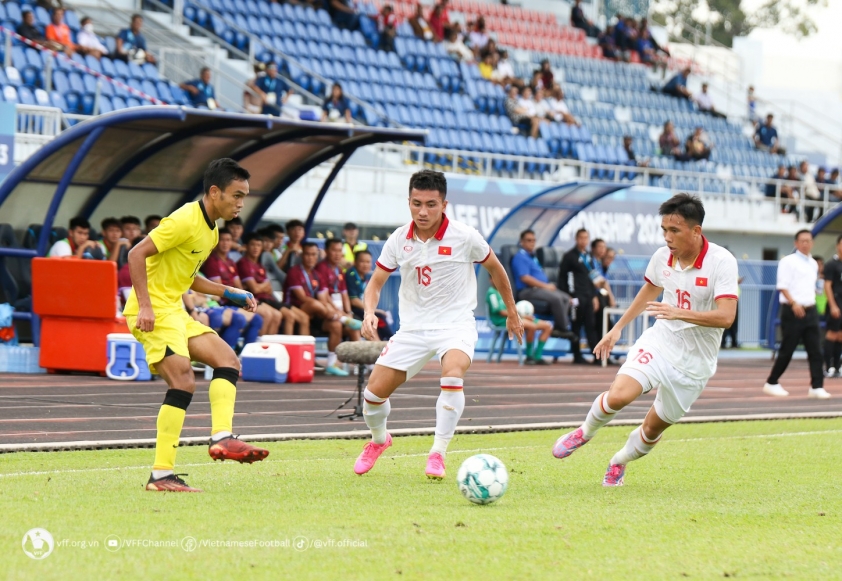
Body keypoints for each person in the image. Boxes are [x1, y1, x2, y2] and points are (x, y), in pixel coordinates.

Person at [552, 193, 740, 486]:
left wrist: (678, 312)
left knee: (652, 430)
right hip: (661, 342)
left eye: (674, 230)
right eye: (664, 230)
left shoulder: (722, 262)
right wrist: (617, 329)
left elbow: (726, 316)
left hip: (695, 364)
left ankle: (618, 461)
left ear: (696, 231)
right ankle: (584, 432)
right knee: (619, 395)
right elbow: (649, 292)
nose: (667, 237)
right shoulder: (662, 257)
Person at [351, 169, 524, 479]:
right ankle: (379, 441)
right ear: (408, 202)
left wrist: (512, 311)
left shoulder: (465, 236)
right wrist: (368, 312)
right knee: (373, 396)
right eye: (416, 203)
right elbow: (376, 282)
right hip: (413, 330)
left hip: (455, 325)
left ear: (445, 204)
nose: (423, 211)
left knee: (453, 373)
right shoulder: (398, 239)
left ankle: (438, 453)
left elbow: (497, 270)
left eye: (431, 204)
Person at [124, 158, 269, 493]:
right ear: (214, 192)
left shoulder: (212, 230)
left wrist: (229, 292)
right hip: (154, 313)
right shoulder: (183, 220)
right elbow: (135, 254)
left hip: (174, 311)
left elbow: (190, 278)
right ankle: (161, 475)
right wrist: (145, 306)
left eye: (244, 196)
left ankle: (222, 438)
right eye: (236, 195)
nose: (240, 203)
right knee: (184, 382)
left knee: (228, 360)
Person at [762, 230, 831, 399]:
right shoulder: (788, 261)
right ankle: (772, 382)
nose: (806, 244)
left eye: (808, 241)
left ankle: (817, 386)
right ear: (796, 243)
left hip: (810, 309)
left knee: (815, 350)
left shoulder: (813, 263)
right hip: (793, 310)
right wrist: (793, 303)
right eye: (802, 241)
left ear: (812, 243)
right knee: (787, 349)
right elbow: (782, 286)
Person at [283, 242, 360, 376]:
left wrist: (338, 311)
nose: (310, 258)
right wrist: (335, 312)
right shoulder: (294, 272)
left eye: (313, 255)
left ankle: (333, 364)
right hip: (296, 309)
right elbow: (302, 298)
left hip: (318, 314)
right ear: (302, 255)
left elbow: (324, 297)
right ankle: (341, 318)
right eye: (307, 254)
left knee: (335, 325)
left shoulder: (316, 274)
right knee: (313, 303)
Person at [202, 228, 278, 337]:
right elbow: (219, 289)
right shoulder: (212, 262)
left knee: (275, 314)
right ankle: (257, 348)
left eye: (228, 240)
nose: (225, 243)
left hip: (236, 297)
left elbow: (239, 286)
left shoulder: (231, 262)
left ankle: (265, 348)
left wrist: (245, 296)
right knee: (266, 314)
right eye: (222, 240)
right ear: (216, 242)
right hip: (225, 299)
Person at [510, 229, 576, 340]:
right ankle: (562, 328)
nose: (532, 243)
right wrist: (545, 286)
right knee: (556, 298)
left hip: (540, 289)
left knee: (565, 297)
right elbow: (525, 278)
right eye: (529, 240)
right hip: (527, 291)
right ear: (522, 242)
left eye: (533, 240)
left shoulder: (532, 256)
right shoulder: (520, 257)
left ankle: (559, 327)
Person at [238, 232, 308, 335]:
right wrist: (262, 287)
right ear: (246, 246)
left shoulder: (259, 265)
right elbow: (255, 289)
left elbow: (269, 288)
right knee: (287, 316)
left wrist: (261, 286)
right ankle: (264, 346)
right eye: (253, 245)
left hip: (269, 298)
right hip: (258, 299)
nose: (256, 248)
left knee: (304, 317)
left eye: (258, 245)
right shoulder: (243, 263)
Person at [558, 229, 602, 365]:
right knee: (576, 325)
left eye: (586, 238)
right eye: (581, 238)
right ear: (576, 239)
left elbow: (592, 277)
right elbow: (562, 277)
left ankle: (596, 357)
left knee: (591, 325)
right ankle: (577, 355)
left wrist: (595, 296)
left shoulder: (588, 256)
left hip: (588, 296)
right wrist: (568, 296)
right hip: (576, 297)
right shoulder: (569, 256)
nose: (584, 241)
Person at [487, 281, 551, 365]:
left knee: (547, 326)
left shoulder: (504, 291)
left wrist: (522, 315)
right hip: (502, 320)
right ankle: (529, 356)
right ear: (491, 279)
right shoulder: (492, 293)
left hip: (516, 317)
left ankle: (537, 356)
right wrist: (521, 315)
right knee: (532, 326)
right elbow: (501, 312)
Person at [346, 249, 393, 339]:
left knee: (381, 317)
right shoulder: (351, 275)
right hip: (355, 311)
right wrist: (374, 311)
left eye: (368, 262)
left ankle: (387, 341)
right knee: (378, 317)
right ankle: (382, 344)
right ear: (355, 262)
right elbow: (354, 301)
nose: (365, 264)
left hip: (362, 309)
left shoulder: (364, 277)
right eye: (362, 261)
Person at [822, 237, 842, 377]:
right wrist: (833, 305)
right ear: (837, 246)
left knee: (840, 336)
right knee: (832, 334)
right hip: (836, 302)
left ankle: (837, 367)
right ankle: (828, 367)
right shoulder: (831, 264)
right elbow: (827, 286)